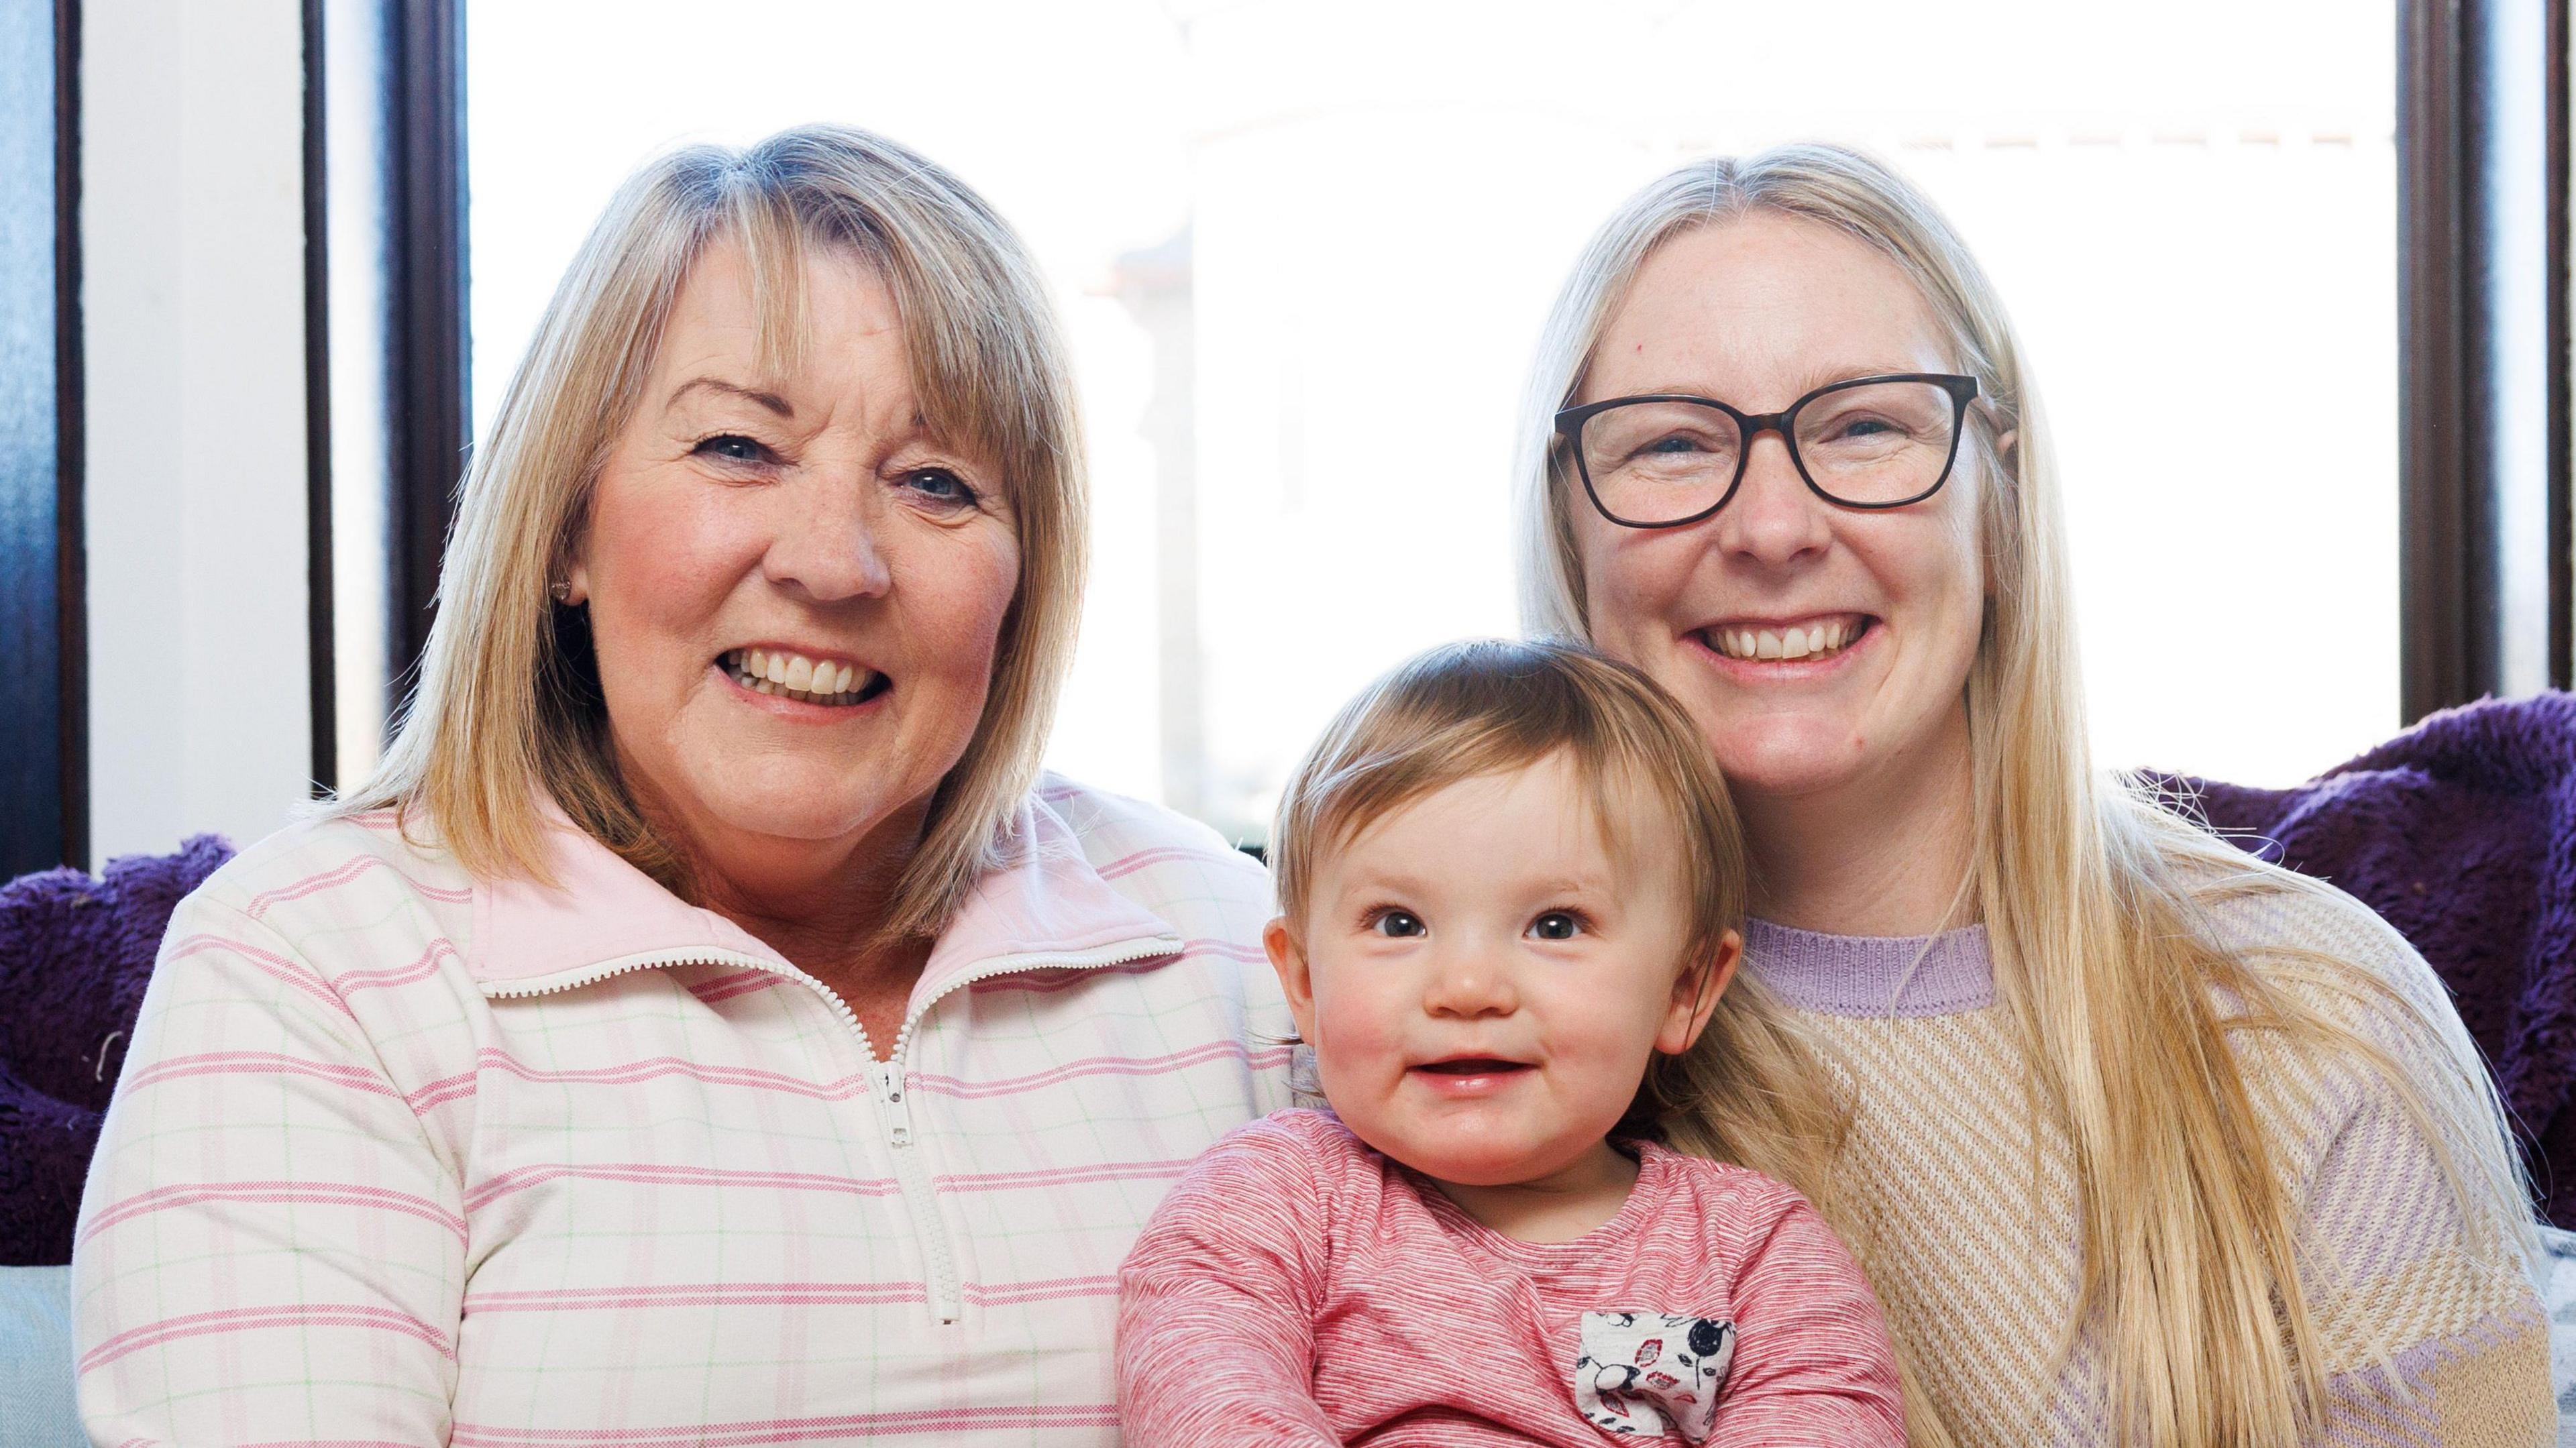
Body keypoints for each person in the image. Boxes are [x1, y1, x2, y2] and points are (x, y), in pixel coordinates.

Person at [71, 125, 1289, 1445]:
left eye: (935, 480)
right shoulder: (311, 967)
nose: (836, 563)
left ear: (1023, 581)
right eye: (737, 448)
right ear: (564, 527)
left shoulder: (1234, 952)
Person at [1515, 145, 2551, 1445]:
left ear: (1998, 505)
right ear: (1569, 529)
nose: (1772, 527)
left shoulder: (2315, 1030)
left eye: (1866, 424)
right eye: (1672, 442)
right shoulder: (1462, 1046)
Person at [1116, 640, 1905, 1445]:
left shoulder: (1753, 1248)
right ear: (1307, 982)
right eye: (1399, 923)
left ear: (1684, 987)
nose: (1468, 988)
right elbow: (1201, 1383)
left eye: (1554, 925)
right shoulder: (1275, 1199)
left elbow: (1831, 1410)